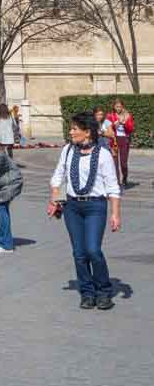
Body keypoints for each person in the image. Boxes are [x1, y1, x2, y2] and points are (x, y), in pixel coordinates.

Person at [48, 111, 121, 310]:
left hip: (95, 206)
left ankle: (104, 291)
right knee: (79, 253)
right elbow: (58, 177)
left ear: (87, 132)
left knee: (93, 250)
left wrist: (115, 214)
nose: (71, 132)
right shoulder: (68, 151)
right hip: (72, 206)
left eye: (74, 129)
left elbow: (113, 187)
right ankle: (87, 292)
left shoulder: (103, 154)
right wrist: (55, 200)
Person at [110, 99, 135, 188]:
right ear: (114, 107)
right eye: (117, 106)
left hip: (124, 139)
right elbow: (106, 128)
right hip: (114, 140)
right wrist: (114, 125)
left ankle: (124, 178)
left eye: (120, 106)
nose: (118, 108)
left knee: (123, 162)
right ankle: (117, 181)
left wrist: (124, 123)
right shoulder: (111, 116)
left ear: (122, 106)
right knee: (115, 162)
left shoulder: (128, 116)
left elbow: (131, 128)